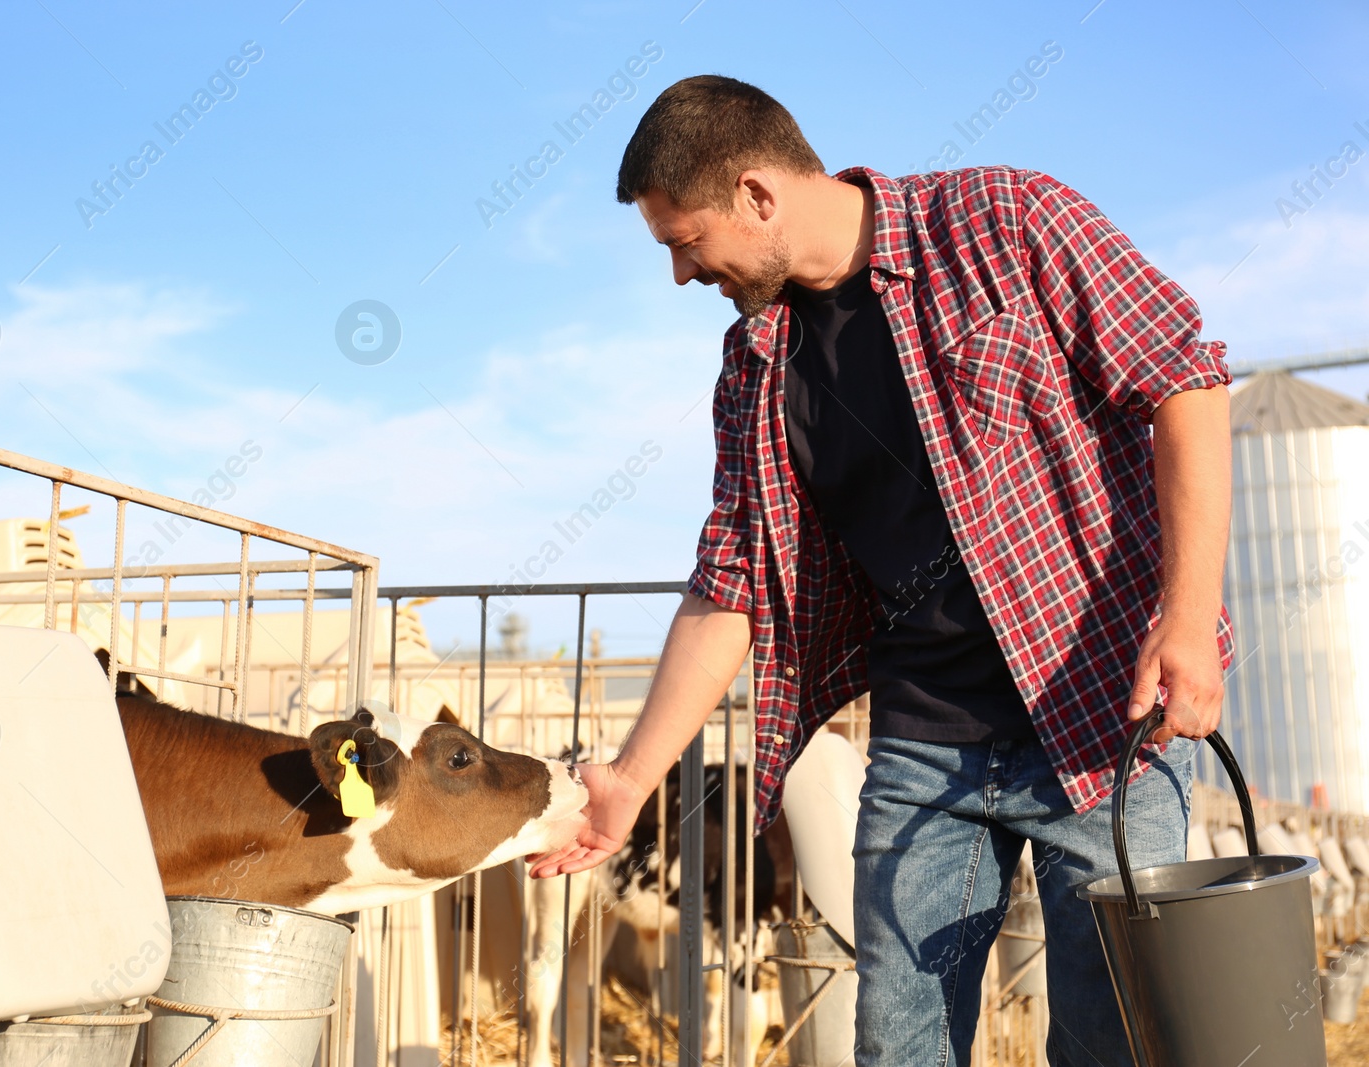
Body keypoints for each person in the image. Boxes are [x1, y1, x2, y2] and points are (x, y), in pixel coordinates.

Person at [527, 75, 1232, 1066]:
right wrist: (634, 779)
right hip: (923, 751)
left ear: (756, 193)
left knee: (1111, 1041)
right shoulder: (755, 364)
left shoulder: (1004, 220)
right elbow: (730, 579)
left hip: (1099, 721)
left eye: (685, 240)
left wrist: (1188, 617)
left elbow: (1183, 378)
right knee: (896, 1050)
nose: (683, 273)